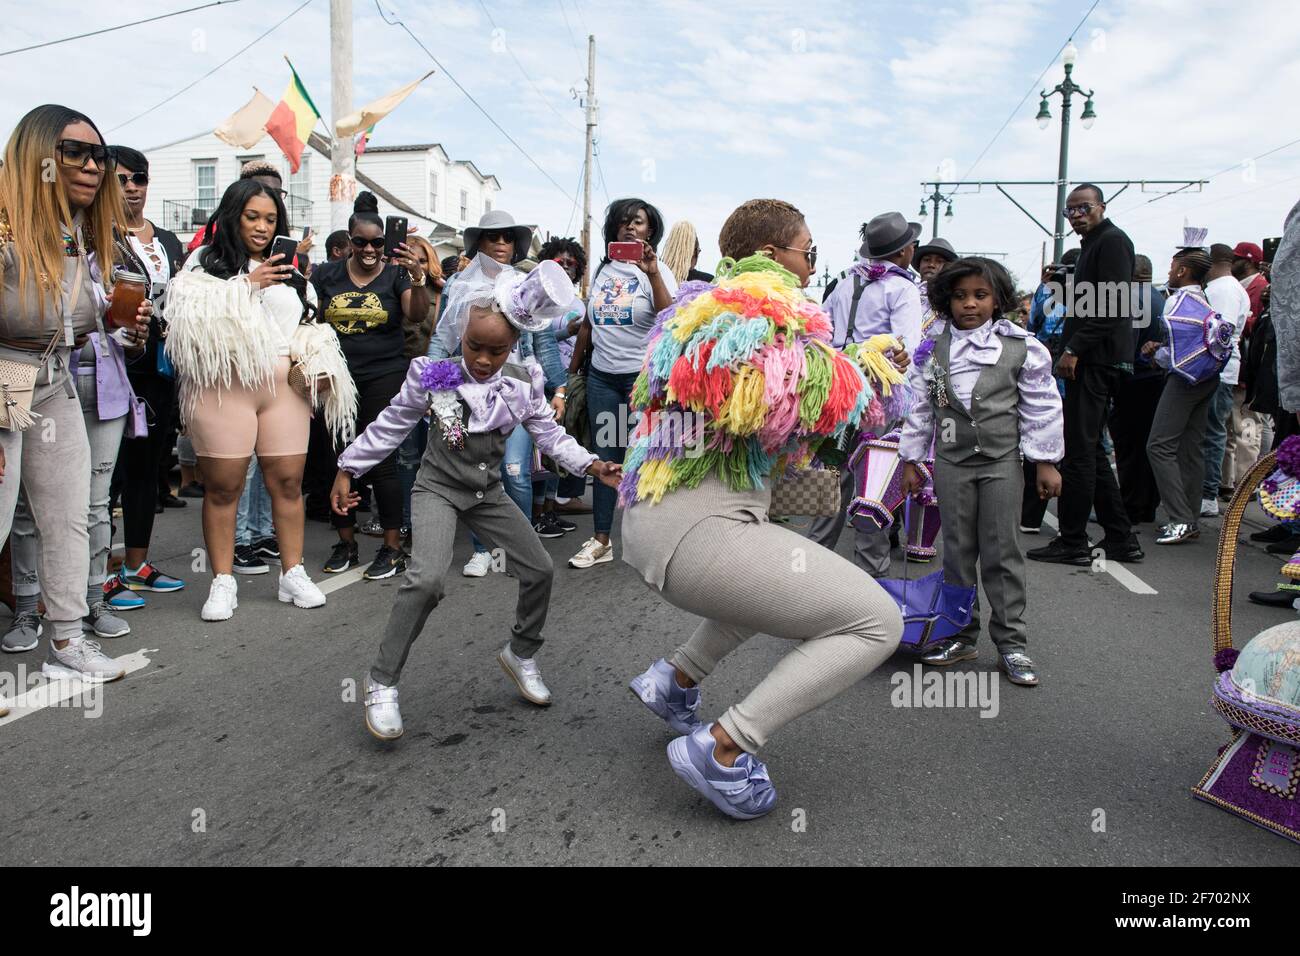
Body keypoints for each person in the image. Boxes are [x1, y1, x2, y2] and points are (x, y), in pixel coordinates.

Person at [620, 199, 902, 820]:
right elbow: (801, 399)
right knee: (876, 622)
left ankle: (676, 680)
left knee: (785, 584)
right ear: (773, 255)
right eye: (809, 250)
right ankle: (724, 748)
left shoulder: (697, 309)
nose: (811, 264)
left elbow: (757, 419)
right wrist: (870, 369)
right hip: (696, 533)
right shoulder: (759, 306)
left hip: (660, 522)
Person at [345, 262, 622, 740]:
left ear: (513, 345)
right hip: (437, 489)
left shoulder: (520, 381)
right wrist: (348, 467)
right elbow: (392, 423)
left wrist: (593, 465)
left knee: (540, 570)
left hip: (487, 493)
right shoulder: (434, 374)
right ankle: (382, 681)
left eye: (498, 350)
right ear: (459, 333)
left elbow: (550, 435)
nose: (484, 360)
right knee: (428, 579)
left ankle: (521, 652)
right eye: (475, 347)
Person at [0, 104, 152, 680]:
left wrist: (122, 332)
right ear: (39, 155)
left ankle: (67, 641)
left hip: (56, 377)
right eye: (75, 152)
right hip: (7, 376)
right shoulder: (4, 222)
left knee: (68, 514)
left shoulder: (83, 231)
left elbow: (85, 322)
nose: (92, 166)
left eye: (100, 156)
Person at [165, 178, 353, 620]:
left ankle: (292, 573)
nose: (262, 227)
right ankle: (222, 581)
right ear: (233, 216)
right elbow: (187, 321)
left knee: (288, 483)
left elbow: (305, 323)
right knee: (224, 487)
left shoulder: (292, 270)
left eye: (270, 219)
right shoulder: (203, 262)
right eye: (253, 217)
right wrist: (248, 283)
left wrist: (320, 362)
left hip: (282, 387)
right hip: (224, 387)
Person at [899, 257, 1064, 684]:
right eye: (959, 296)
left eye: (980, 295)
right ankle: (960, 633)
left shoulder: (1020, 347)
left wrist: (1045, 461)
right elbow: (922, 407)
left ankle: (1012, 644)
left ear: (998, 300)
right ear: (946, 300)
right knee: (957, 552)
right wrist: (913, 459)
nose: (969, 305)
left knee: (1001, 552)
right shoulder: (933, 349)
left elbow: (1041, 406)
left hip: (1000, 463)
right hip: (952, 464)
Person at [428, 210, 566, 577]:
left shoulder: (525, 284)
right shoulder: (458, 283)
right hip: (467, 390)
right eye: (493, 238)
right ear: (479, 244)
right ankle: (482, 550)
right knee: (476, 473)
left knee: (515, 470)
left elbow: (543, 341)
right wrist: (431, 385)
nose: (502, 244)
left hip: (516, 390)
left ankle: (516, 548)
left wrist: (561, 388)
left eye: (508, 238)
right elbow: (442, 339)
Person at [312, 192, 429, 579]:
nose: (368, 249)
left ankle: (392, 548)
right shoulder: (326, 275)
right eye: (360, 241)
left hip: (384, 375)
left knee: (381, 462)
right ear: (348, 241)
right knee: (337, 460)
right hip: (337, 378)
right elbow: (310, 320)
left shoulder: (396, 274)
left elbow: (414, 315)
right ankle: (346, 541)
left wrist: (416, 277)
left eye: (377, 242)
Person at [1028, 184, 1143, 565]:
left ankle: (1073, 540)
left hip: (1095, 360)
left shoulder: (1111, 241)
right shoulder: (1097, 243)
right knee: (1089, 448)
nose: (1077, 215)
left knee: (1079, 451)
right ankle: (1120, 538)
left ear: (1101, 207)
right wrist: (1060, 287)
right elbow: (1091, 301)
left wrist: (1075, 348)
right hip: (1096, 357)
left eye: (1083, 208)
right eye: (1070, 211)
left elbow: (1113, 305)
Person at [806, 211, 920, 576]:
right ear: (904, 252)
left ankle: (809, 569)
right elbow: (908, 350)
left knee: (830, 480)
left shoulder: (843, 284)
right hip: (880, 399)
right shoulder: (903, 289)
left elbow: (820, 332)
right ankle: (872, 581)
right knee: (874, 483)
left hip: (839, 391)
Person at [567, 198, 676, 571]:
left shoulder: (656, 269)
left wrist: (652, 273)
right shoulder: (603, 271)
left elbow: (670, 318)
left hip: (641, 381)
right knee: (604, 458)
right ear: (614, 229)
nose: (631, 227)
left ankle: (650, 538)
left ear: (650, 230)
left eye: (639, 223)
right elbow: (588, 324)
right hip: (602, 378)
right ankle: (601, 539)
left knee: (645, 456)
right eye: (624, 222)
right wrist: (572, 374)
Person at [102, 145, 188, 610]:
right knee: (107, 471)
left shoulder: (169, 241)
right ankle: (98, 576)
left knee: (145, 467)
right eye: (121, 179)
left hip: (159, 366)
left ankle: (136, 565)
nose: (132, 187)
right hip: (114, 366)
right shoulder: (96, 235)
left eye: (139, 178)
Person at [1142, 245, 1219, 545]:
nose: (1170, 271)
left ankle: (1180, 518)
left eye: (1173, 266)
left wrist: (1154, 352)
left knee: (1158, 446)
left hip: (1183, 379)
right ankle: (1191, 517)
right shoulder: (1205, 299)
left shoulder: (1177, 301)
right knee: (1191, 446)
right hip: (1207, 376)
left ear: (1183, 270)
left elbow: (1173, 352)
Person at [531, 236, 588, 537]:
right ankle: (536, 512)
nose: (566, 267)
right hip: (541, 384)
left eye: (571, 263)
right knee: (540, 453)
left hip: (568, 385)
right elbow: (536, 339)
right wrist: (568, 330)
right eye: (559, 262)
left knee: (557, 451)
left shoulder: (577, 302)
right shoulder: (539, 297)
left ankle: (551, 509)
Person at [1108, 253, 1166, 526]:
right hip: (1157, 380)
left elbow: (1125, 345)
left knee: (1129, 447)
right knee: (1147, 446)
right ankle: (1148, 505)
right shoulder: (1160, 298)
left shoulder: (1130, 298)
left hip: (1132, 381)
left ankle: (1130, 506)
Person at [1200, 244, 1252, 518]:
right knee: (1212, 430)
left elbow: (1222, 330)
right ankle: (1206, 490)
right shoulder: (1230, 288)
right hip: (1220, 369)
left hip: (1217, 370)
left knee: (1212, 431)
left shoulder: (1223, 289)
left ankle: (1208, 494)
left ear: (1212, 262)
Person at [1222, 241, 1271, 492]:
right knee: (1233, 429)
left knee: (1247, 430)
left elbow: (1259, 328)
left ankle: (1246, 484)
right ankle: (1229, 481)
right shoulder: (1244, 287)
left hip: (1249, 373)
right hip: (1240, 371)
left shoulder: (1260, 287)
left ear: (1249, 261)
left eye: (1237, 258)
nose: (1232, 262)